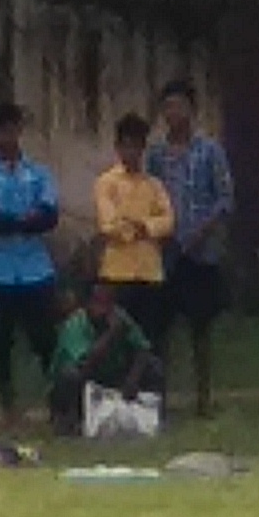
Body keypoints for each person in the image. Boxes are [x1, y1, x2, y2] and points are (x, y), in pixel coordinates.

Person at [0, 103, 62, 427]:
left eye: (12, 129)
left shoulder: (38, 174)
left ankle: (57, 403)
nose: (7, 137)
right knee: (0, 342)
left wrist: (10, 221)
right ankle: (9, 407)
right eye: (1, 131)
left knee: (46, 340)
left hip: (36, 269)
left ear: (20, 131)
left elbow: (50, 216)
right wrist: (23, 220)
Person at [146, 81, 235, 415]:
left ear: (191, 110)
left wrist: (202, 231)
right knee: (161, 328)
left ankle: (203, 398)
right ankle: (161, 398)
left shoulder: (209, 150)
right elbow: (150, 195)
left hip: (201, 251)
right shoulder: (156, 155)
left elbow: (225, 198)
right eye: (167, 107)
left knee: (201, 326)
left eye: (179, 106)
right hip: (166, 250)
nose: (173, 114)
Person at [92, 114, 174, 348]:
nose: (131, 152)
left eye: (136, 146)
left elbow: (168, 221)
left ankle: (150, 384)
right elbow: (108, 224)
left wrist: (144, 226)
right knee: (116, 339)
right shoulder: (106, 183)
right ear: (118, 148)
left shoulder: (154, 185)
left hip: (150, 271)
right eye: (126, 146)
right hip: (117, 272)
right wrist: (142, 227)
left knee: (151, 339)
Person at [52, 280, 165, 436]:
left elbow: (143, 349)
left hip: (114, 372)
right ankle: (69, 420)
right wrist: (111, 334)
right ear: (88, 304)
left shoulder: (120, 317)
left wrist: (133, 379)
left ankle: (152, 416)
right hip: (85, 378)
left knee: (154, 366)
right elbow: (85, 364)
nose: (104, 310)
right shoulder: (75, 325)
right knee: (69, 375)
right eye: (98, 303)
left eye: (108, 303)